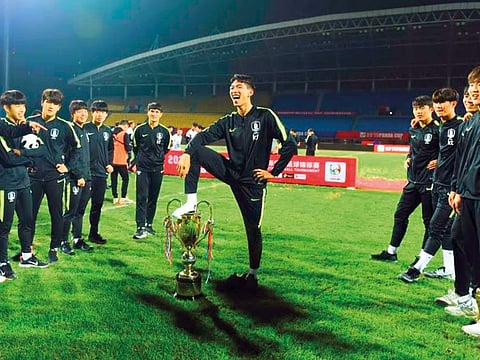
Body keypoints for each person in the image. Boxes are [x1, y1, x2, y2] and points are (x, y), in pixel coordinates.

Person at [174, 74, 297, 291]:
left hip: (253, 182)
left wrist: (274, 172)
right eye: (231, 87)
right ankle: (191, 202)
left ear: (250, 92)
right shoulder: (228, 121)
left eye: (239, 87)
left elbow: (290, 144)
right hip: (232, 172)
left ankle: (253, 274)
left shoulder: (265, 116)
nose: (234, 90)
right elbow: (200, 138)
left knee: (253, 229)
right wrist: (186, 153)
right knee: (197, 152)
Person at [399, 88, 462, 282]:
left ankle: (416, 269)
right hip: (436, 183)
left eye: (444, 102)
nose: (439, 106)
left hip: (451, 187)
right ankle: (450, 269)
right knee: (444, 229)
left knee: (435, 226)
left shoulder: (461, 125)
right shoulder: (439, 127)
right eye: (437, 103)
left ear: (453, 104)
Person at [371, 95, 439, 262]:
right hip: (412, 182)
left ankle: (421, 258)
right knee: (400, 215)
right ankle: (391, 252)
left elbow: (451, 150)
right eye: (416, 108)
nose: (418, 111)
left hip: (429, 184)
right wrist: (408, 157)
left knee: (428, 222)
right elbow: (413, 149)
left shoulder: (439, 129)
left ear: (431, 109)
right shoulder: (413, 129)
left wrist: (439, 161)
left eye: (422, 108)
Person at [27, 89, 82, 263]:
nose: (51, 105)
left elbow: (77, 149)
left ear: (59, 107)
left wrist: (68, 166)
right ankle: (27, 249)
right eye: (49, 101)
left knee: (56, 214)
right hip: (33, 177)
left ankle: (53, 248)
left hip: (55, 177)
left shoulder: (65, 126)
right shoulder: (29, 123)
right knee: (29, 215)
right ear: (42, 102)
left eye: (55, 103)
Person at [0, 90, 49, 279]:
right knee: (4, 226)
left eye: (23, 105)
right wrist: (27, 158)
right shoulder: (3, 127)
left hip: (23, 182)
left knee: (28, 220)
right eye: (16, 105)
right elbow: (8, 158)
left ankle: (27, 257)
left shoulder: (25, 127)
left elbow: (41, 151)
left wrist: (22, 153)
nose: (21, 109)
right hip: (5, 184)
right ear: (6, 107)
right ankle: (2, 263)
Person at [448, 67, 480, 336]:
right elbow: (464, 159)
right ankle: (468, 297)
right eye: (470, 89)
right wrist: (457, 188)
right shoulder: (470, 122)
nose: (473, 94)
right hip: (469, 194)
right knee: (459, 239)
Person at [132, 102, 171, 239]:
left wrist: (157, 159)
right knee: (142, 197)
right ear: (147, 112)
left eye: (156, 112)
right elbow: (135, 147)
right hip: (143, 168)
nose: (154, 114)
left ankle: (149, 224)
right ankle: (140, 227)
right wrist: (140, 161)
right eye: (152, 111)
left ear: (161, 114)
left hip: (157, 168)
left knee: (153, 198)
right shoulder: (139, 130)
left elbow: (166, 149)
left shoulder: (165, 132)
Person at [61, 100, 94, 254]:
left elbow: (84, 157)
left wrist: (87, 176)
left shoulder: (84, 131)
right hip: (74, 178)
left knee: (80, 211)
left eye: (85, 111)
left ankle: (77, 239)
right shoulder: (69, 130)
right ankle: (62, 241)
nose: (83, 114)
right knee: (70, 211)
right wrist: (78, 175)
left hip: (86, 177)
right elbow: (69, 157)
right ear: (73, 114)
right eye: (79, 111)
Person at [82, 100, 113, 245]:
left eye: (103, 112)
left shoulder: (107, 131)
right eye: (97, 112)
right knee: (79, 206)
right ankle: (75, 236)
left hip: (101, 174)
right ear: (92, 112)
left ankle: (93, 233)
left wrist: (108, 163)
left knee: (97, 205)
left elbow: (110, 149)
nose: (100, 115)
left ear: (106, 114)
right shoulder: (84, 128)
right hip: (86, 174)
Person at [111, 119, 133, 205]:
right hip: (121, 160)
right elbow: (128, 148)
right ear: (125, 126)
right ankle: (123, 197)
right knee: (125, 179)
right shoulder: (124, 134)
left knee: (114, 179)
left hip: (112, 160)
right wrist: (130, 147)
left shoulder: (111, 133)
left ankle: (115, 197)